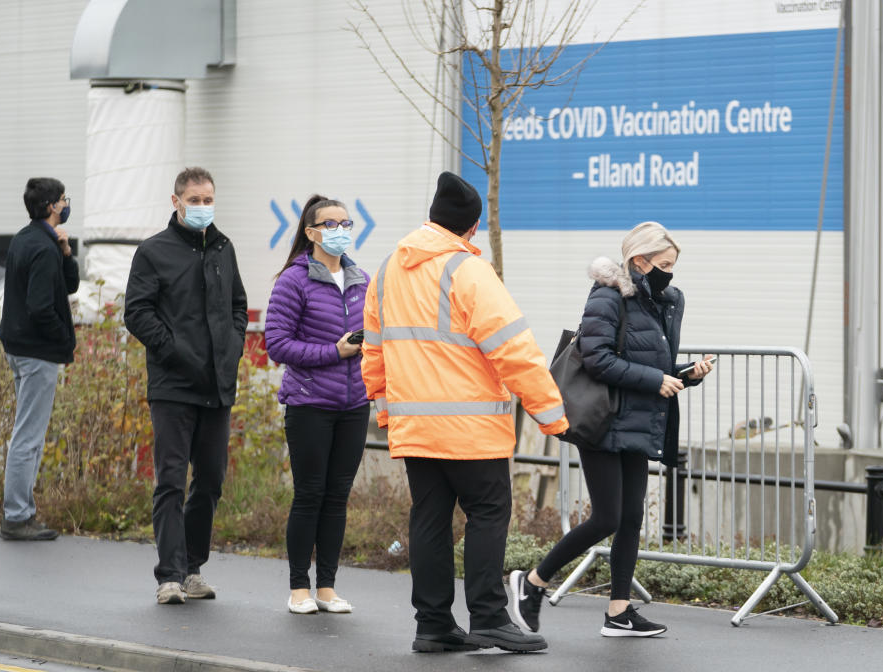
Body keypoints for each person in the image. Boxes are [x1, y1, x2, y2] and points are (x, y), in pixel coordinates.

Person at [361, 171, 569, 653]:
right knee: (488, 514)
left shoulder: (389, 269)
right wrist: (552, 415)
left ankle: (432, 624)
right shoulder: (469, 270)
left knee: (430, 520)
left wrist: (388, 412)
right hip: (471, 428)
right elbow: (514, 349)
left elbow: (374, 352)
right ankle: (490, 617)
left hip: (416, 427)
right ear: (472, 228)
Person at [508, 221, 714, 638]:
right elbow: (598, 359)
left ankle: (618, 612)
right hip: (601, 420)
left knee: (631, 517)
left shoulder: (666, 302)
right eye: (664, 264)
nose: (670, 273)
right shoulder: (608, 295)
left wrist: (684, 374)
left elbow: (650, 367)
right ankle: (530, 583)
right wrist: (655, 380)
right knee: (606, 517)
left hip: (638, 421)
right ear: (639, 261)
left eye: (673, 266)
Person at [124, 167, 248, 605]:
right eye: (194, 200)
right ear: (175, 201)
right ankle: (170, 576)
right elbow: (137, 312)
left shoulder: (223, 248)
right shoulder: (153, 251)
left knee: (210, 480)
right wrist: (174, 351)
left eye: (208, 199)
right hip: (173, 385)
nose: (202, 207)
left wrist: (231, 349)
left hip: (217, 384)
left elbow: (238, 305)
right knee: (171, 480)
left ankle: (193, 567)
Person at [264, 195, 370, 615]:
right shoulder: (294, 280)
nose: (339, 229)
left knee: (338, 497)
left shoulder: (361, 278)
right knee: (309, 494)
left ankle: (326, 587)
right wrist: (335, 352)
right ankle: (298, 589)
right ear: (310, 232)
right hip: (310, 403)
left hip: (354, 404)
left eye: (345, 223)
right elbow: (277, 345)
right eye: (330, 224)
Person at [0, 177, 79, 541]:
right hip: (37, 353)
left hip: (18, 348)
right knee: (28, 436)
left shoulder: (26, 240)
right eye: (63, 199)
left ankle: (22, 511)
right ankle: (17, 516)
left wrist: (66, 252)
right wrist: (63, 339)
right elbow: (42, 307)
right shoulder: (42, 250)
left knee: (25, 432)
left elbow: (69, 285)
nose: (66, 203)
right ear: (51, 206)